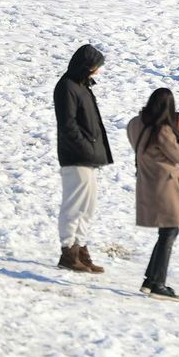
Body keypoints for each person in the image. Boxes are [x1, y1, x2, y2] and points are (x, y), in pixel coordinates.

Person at [53, 43, 113, 274]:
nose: (99, 71)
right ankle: (68, 252)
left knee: (88, 206)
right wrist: (86, 147)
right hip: (75, 156)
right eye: (96, 66)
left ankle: (81, 250)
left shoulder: (82, 86)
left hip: (88, 156)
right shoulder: (67, 87)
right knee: (74, 205)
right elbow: (68, 124)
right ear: (87, 66)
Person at [127, 89, 179, 302]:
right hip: (165, 185)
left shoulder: (136, 123)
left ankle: (151, 279)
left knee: (167, 232)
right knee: (170, 231)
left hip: (147, 181)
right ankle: (157, 284)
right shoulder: (163, 131)